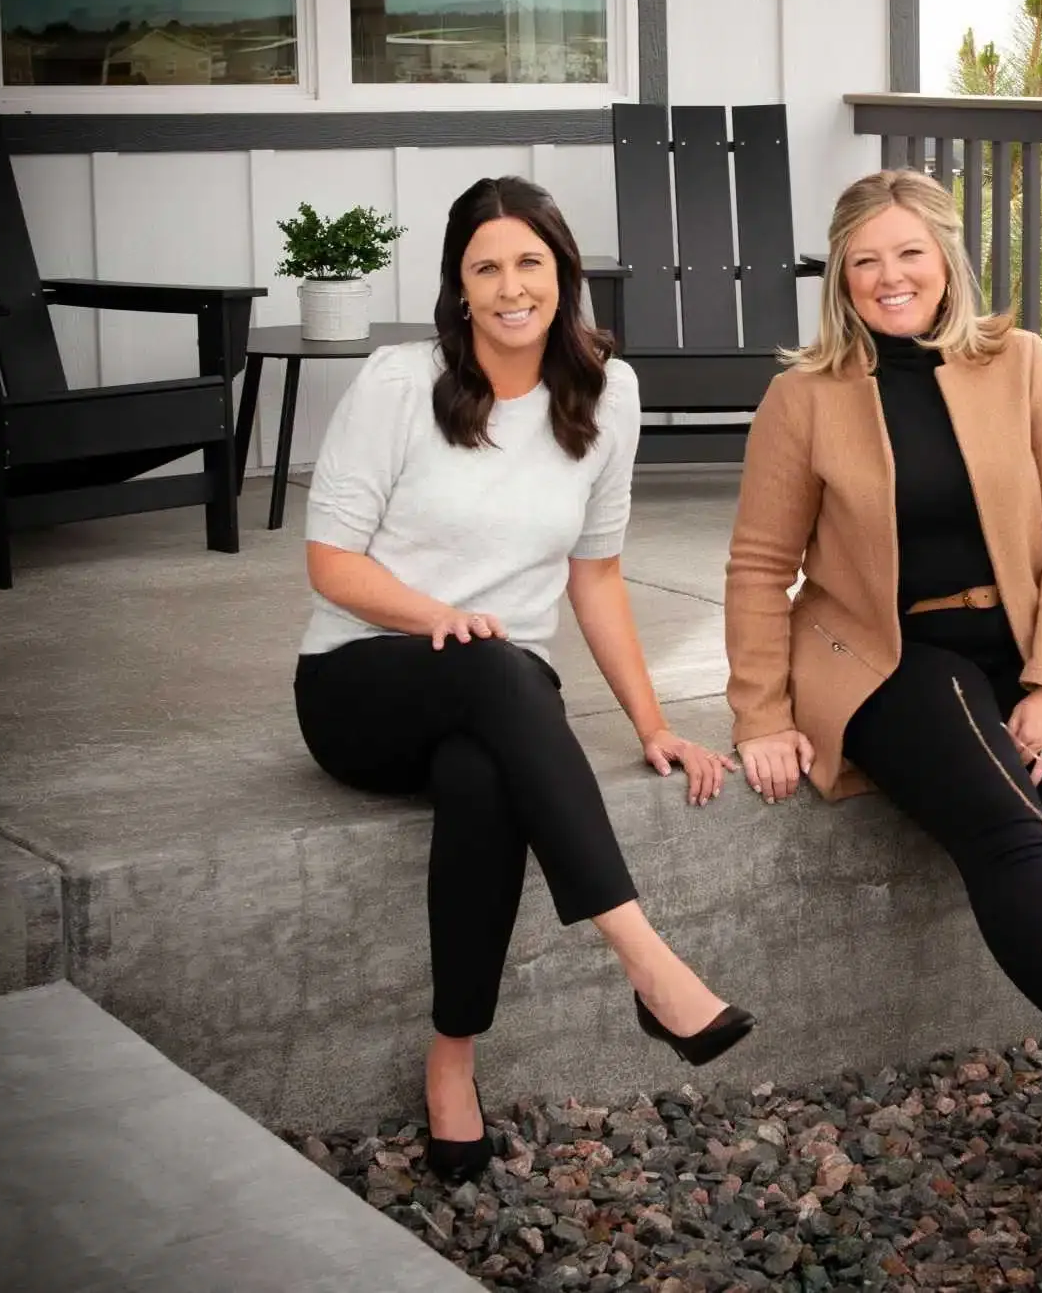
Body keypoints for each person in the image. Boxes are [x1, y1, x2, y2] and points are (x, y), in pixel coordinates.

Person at [294, 176, 753, 1183]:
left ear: (563, 274)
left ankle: (452, 1064)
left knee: (484, 769)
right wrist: (437, 618)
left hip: (496, 698)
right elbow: (332, 563)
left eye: (530, 263)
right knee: (503, 669)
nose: (511, 287)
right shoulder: (396, 385)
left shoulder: (608, 394)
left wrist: (652, 721)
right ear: (459, 289)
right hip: (362, 681)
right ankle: (647, 960)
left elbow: (596, 578)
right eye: (486, 267)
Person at [723, 168, 1042, 1173]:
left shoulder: (1022, 365)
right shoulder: (804, 398)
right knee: (1015, 832)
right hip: (888, 662)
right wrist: (759, 713)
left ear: (947, 258)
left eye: (909, 253)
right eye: (866, 260)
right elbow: (758, 566)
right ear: (840, 273)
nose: (890, 277)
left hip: (1023, 651)